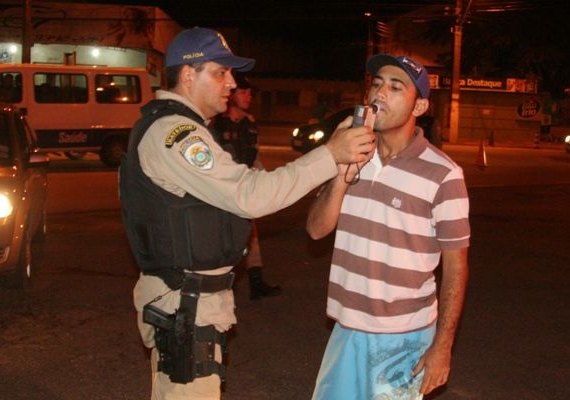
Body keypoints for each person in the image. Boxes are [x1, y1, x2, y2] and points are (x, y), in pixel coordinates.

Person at [119, 27, 375, 400]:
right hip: (184, 305)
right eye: (220, 72)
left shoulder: (186, 129)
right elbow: (250, 195)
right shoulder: (175, 134)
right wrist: (329, 155)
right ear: (188, 75)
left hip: (189, 303)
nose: (232, 82)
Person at [306, 54, 470, 399]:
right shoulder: (350, 154)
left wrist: (443, 347)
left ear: (419, 106)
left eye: (396, 87)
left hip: (405, 338)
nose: (380, 93)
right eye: (377, 84)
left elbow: (456, 266)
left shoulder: (444, 174)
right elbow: (316, 230)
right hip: (346, 328)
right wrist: (341, 175)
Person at [211, 72, 282, 300]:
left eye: (250, 93)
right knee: (221, 240)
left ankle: (256, 283)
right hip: (222, 191)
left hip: (245, 188)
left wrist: (264, 182)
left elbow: (255, 157)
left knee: (251, 236)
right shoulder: (216, 125)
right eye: (243, 92)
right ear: (232, 96)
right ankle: (219, 288)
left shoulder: (250, 125)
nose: (248, 97)